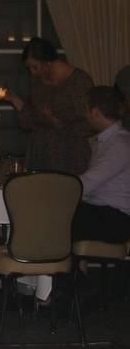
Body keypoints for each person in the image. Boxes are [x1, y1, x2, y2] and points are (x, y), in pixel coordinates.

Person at [2, 38, 94, 175]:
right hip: (41, 154)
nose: (32, 72)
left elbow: (90, 124)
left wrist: (58, 124)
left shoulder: (79, 81)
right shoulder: (38, 83)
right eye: (29, 69)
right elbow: (32, 120)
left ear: (48, 61)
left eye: (35, 67)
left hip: (70, 156)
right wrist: (14, 99)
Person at [72, 86, 130, 244]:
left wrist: (62, 187)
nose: (85, 115)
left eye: (86, 109)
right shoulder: (110, 141)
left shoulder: (120, 143)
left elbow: (90, 181)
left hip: (116, 218)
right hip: (104, 212)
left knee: (57, 218)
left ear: (96, 112)